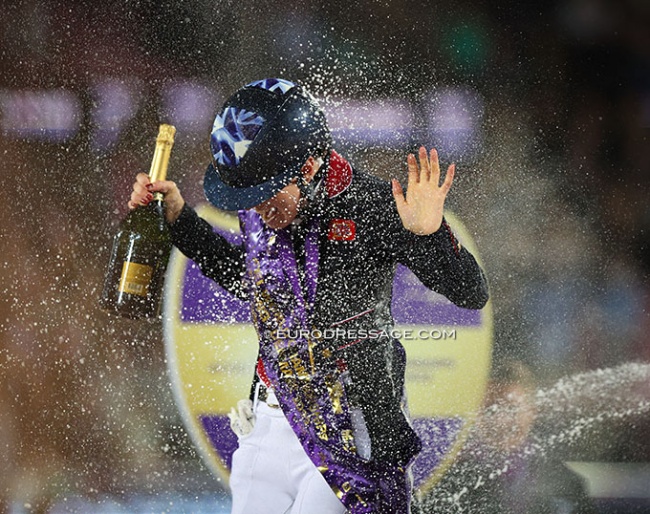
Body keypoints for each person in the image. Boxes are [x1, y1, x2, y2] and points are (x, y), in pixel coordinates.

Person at [129, 78, 489, 514]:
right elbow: (251, 283)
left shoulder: (374, 205)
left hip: (353, 438)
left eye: (264, 194)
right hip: (266, 426)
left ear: (311, 167)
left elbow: (471, 292)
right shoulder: (260, 204)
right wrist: (180, 219)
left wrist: (431, 236)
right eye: (246, 197)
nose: (256, 208)